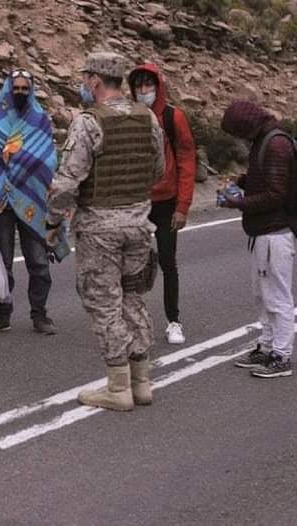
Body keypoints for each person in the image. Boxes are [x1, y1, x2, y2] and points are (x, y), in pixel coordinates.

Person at [46, 52, 165, 411]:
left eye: (85, 78)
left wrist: (53, 222)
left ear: (96, 80)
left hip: (100, 230)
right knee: (133, 298)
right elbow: (158, 170)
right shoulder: (147, 117)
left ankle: (118, 388)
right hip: (139, 225)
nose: (82, 84)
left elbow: (67, 182)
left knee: (105, 303)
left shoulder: (88, 122)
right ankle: (142, 383)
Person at [0, 69, 58, 335]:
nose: (20, 93)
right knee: (1, 264)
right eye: (16, 88)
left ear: (32, 90)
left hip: (32, 199)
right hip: (0, 201)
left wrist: (22, 166)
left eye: (25, 89)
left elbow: (48, 158)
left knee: (38, 262)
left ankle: (40, 315)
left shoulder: (39, 120)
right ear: (8, 89)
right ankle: (2, 315)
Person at [221, 100, 295, 378]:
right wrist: (244, 181)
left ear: (246, 125)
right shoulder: (265, 140)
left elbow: (276, 195)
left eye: (238, 131)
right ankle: (267, 346)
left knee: (277, 297)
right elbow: (269, 180)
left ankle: (281, 355)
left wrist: (240, 203)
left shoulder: (275, 145)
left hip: (275, 233)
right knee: (263, 296)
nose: (239, 137)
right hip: (262, 232)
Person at [128, 65, 196, 345]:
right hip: (138, 203)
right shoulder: (130, 117)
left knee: (168, 261)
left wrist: (182, 206)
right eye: (138, 86)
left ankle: (174, 321)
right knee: (133, 264)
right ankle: (134, 322)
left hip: (167, 202)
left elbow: (187, 161)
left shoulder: (172, 117)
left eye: (148, 85)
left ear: (158, 86)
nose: (143, 90)